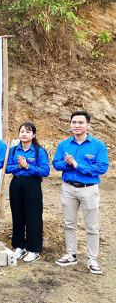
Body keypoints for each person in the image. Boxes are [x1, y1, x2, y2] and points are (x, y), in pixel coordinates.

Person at [53, 111, 108, 275]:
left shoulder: (98, 146)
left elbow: (102, 168)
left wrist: (77, 165)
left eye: (80, 122)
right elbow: (56, 164)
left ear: (88, 125)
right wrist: (68, 164)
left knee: (92, 226)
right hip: (68, 188)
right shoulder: (64, 144)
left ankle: (92, 259)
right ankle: (71, 255)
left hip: (89, 189)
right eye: (73, 122)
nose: (76, 125)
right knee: (69, 223)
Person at [6, 122, 50, 263]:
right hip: (16, 184)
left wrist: (28, 166)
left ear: (34, 135)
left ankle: (34, 249)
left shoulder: (38, 151)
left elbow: (45, 171)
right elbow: (7, 168)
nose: (24, 134)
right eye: (22, 131)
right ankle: (19, 246)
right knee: (17, 215)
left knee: (33, 217)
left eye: (28, 132)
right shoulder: (13, 150)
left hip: (32, 184)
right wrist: (19, 166)